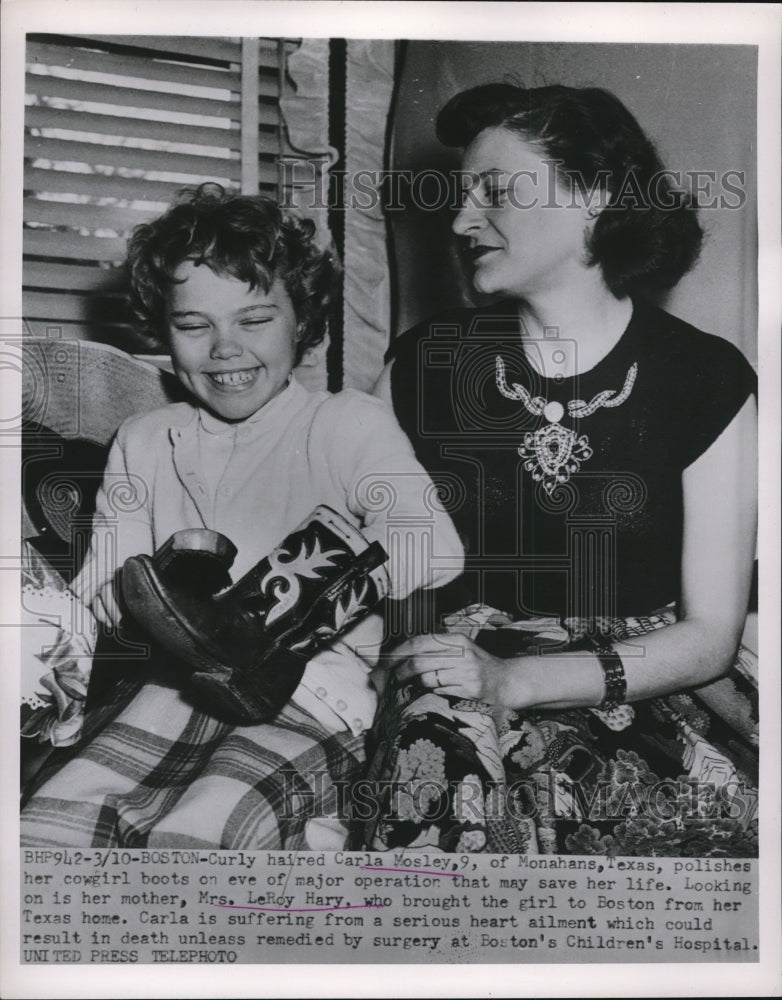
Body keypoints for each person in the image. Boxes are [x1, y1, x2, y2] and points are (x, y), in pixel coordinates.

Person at [357, 84, 758, 856]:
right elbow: (364, 546)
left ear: (594, 196)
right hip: (454, 667)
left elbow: (710, 636)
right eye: (461, 194)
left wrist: (517, 683)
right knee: (436, 797)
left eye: (496, 192)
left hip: (644, 677)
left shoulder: (705, 377)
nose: (461, 219)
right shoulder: (423, 365)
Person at [20, 183, 463, 849]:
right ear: (162, 329)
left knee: (204, 832)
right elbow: (101, 582)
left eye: (254, 320)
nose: (225, 348)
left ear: (303, 321)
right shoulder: (143, 438)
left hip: (315, 698)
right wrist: (128, 598)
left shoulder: (344, 423)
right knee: (53, 825)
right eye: (195, 325)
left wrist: (269, 610)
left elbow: (434, 543)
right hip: (166, 693)